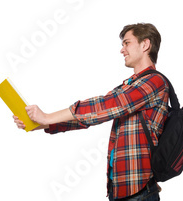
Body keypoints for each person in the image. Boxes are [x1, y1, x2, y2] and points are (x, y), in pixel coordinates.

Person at [13, 23, 168, 201]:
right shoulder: (130, 86)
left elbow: (106, 106)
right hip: (121, 189)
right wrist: (42, 124)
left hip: (139, 193)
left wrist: (47, 116)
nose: (122, 50)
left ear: (145, 45)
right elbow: (90, 117)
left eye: (126, 43)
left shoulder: (154, 82)